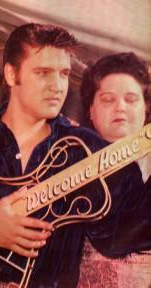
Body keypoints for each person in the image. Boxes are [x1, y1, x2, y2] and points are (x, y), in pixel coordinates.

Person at [0, 23, 150, 288]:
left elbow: (126, 232)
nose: (57, 85)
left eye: (64, 74)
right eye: (43, 73)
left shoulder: (86, 151)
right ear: (11, 74)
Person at [78, 52, 151, 288]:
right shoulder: (71, 163)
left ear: (146, 108)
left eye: (131, 99)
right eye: (108, 99)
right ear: (90, 110)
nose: (120, 107)